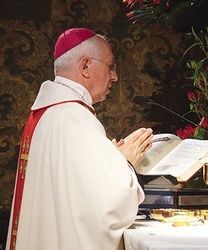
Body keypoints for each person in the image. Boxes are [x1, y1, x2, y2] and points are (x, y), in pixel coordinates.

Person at [6, 28, 153, 250]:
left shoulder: (48, 113)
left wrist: (110, 160)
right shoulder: (72, 117)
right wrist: (125, 163)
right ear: (85, 66)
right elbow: (107, 206)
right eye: (110, 66)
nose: (115, 76)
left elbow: (73, 192)